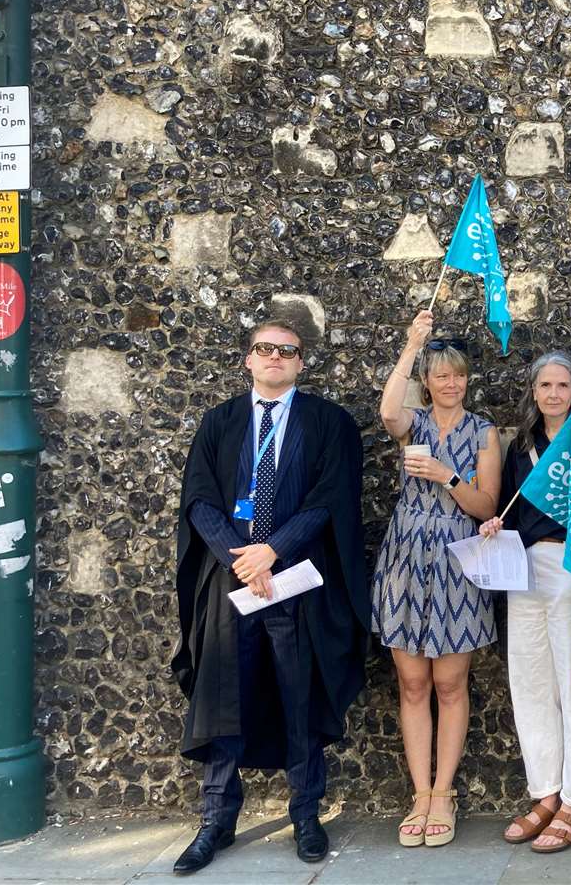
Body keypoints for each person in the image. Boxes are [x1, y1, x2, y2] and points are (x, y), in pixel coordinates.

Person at [172, 317, 367, 875]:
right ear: (248, 360)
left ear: (302, 362)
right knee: (220, 695)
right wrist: (241, 556)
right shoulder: (220, 422)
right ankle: (217, 819)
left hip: (296, 584)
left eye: (287, 350)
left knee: (298, 694)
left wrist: (272, 550)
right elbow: (202, 499)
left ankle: (306, 813)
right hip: (229, 584)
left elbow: (328, 498)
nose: (275, 357)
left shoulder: (328, 423)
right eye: (265, 349)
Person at [371, 310, 502, 848]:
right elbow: (386, 412)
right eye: (441, 375)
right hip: (405, 559)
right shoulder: (414, 423)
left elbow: (485, 504)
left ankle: (444, 793)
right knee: (412, 683)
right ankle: (419, 793)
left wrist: (449, 476)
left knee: (449, 684)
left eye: (459, 375)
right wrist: (411, 346)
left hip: (456, 562)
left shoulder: (483, 431)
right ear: (428, 380)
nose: (451, 383)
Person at [479, 352, 571, 853]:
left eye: (562, 385)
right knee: (530, 683)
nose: (553, 394)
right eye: (544, 386)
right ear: (534, 392)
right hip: (524, 569)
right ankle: (546, 793)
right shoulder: (521, 447)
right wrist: (496, 525)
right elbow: (511, 508)